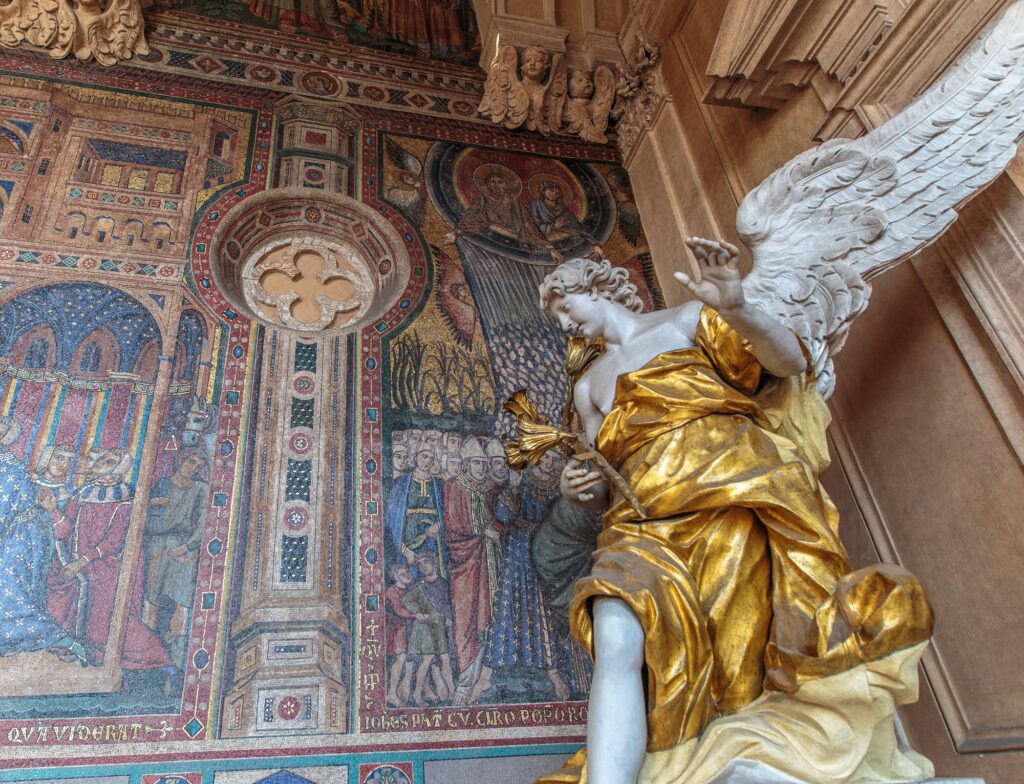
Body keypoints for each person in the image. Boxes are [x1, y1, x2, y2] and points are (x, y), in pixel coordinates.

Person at [536, 247, 933, 784]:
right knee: (614, 629)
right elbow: (604, 480)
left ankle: (739, 752)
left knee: (737, 659)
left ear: (598, 287)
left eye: (566, 304)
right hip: (640, 525)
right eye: (556, 317)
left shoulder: (686, 320)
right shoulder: (587, 387)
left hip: (728, 496)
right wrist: (578, 489)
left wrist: (738, 306)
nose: (565, 323)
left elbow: (788, 364)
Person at [45, 448, 172, 671]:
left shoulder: (125, 498)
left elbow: (114, 541)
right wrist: (53, 510)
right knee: (57, 585)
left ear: (118, 470)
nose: (102, 462)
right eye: (103, 458)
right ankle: (67, 644)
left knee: (106, 616)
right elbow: (65, 529)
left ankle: (159, 661)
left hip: (108, 565)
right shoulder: (84, 493)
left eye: (110, 460)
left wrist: (81, 562)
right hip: (78, 563)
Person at [468, 448, 570, 705]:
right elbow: (503, 516)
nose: (549, 462)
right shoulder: (521, 482)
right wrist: (512, 490)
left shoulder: (560, 488)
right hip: (518, 550)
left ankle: (554, 675)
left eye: (554, 458)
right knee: (506, 606)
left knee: (542, 608)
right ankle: (485, 677)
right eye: (545, 457)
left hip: (546, 552)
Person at [0, 422, 85, 663]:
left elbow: (5, 509)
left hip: (24, 540)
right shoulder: (24, 473)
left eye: (68, 460)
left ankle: (55, 638)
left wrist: (53, 510)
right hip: (17, 535)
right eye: (58, 457)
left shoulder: (9, 468)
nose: (62, 464)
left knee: (10, 589)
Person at [442, 437, 503, 688]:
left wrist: (498, 529)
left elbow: (501, 521)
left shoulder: (491, 490)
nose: (481, 468)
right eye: (476, 463)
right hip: (466, 563)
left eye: (484, 463)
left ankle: (488, 676)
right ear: (466, 464)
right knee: (466, 616)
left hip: (491, 562)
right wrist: (482, 533)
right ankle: (466, 676)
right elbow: (453, 525)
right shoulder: (454, 487)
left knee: (493, 610)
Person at [141, 448, 210, 668]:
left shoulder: (200, 489)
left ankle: (178, 660)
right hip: (158, 546)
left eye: (199, 466)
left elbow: (203, 523)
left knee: (181, 602)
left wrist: (187, 547)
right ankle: (146, 656)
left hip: (182, 549)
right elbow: (145, 516)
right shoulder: (162, 485)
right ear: (180, 461)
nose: (194, 468)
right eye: (191, 462)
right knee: (151, 600)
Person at [403, 553, 456, 705]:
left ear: (434, 563)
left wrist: (449, 616)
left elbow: (449, 603)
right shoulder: (419, 586)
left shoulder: (444, 584)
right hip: (425, 628)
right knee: (427, 659)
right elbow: (407, 600)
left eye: (426, 562)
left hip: (440, 627)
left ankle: (452, 692)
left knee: (445, 659)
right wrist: (417, 613)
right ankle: (417, 693)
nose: (424, 566)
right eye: (420, 564)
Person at [385, 442, 446, 572]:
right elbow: (391, 519)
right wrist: (404, 550)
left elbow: (447, 513)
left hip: (432, 540)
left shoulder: (439, 485)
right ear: (415, 457)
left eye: (431, 458)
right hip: (408, 541)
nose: (428, 461)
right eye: (424, 456)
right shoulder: (400, 484)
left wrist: (439, 525)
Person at [384, 564, 416, 707]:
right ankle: (391, 693)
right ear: (396, 576)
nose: (407, 575)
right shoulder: (392, 591)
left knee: (409, 659)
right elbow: (398, 609)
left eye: (407, 572)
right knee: (400, 658)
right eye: (403, 573)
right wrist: (415, 615)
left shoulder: (408, 590)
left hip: (408, 629)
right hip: (396, 629)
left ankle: (403, 691)